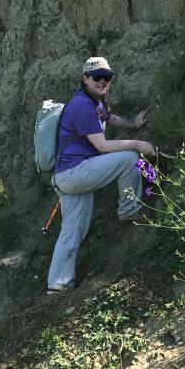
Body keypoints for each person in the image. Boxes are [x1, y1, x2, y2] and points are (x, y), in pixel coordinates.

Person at [47, 57, 156, 295]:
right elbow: (103, 146)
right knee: (128, 159)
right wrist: (139, 143)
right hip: (74, 173)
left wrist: (133, 125)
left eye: (107, 77)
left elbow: (109, 118)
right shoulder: (81, 105)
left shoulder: (94, 102)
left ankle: (57, 287)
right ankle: (130, 211)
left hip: (68, 176)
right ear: (85, 78)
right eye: (97, 77)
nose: (103, 81)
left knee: (71, 230)